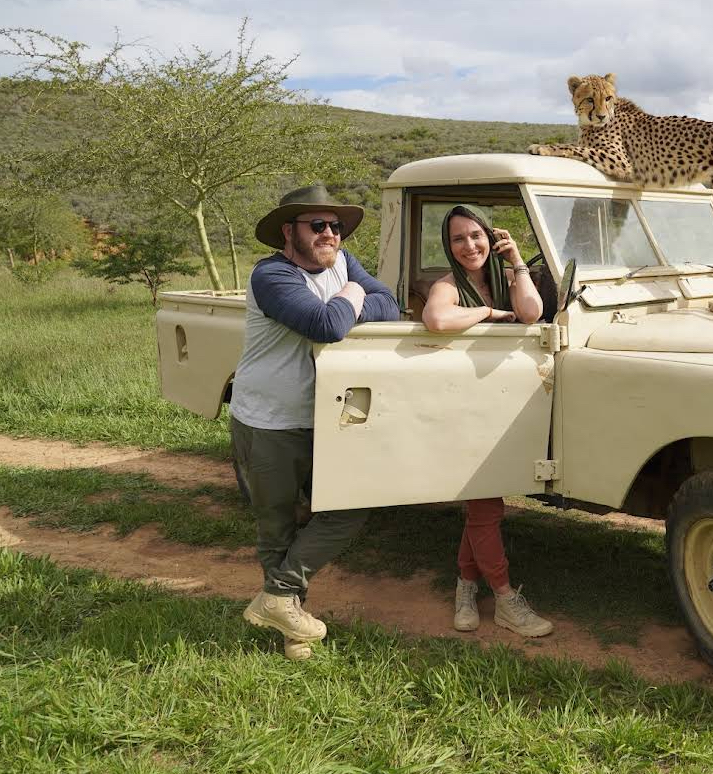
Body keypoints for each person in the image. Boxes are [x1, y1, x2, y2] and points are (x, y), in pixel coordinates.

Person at [233, 183, 400, 660]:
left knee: (352, 504)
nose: (332, 234)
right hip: (267, 421)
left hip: (323, 418)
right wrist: (351, 294)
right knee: (277, 526)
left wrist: (346, 295)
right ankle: (293, 630)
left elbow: (388, 304)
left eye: (337, 226)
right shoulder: (272, 276)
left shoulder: (342, 263)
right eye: (319, 226)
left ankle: (279, 597)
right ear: (289, 232)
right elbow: (326, 326)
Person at [422, 204, 553, 638]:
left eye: (475, 235)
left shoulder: (504, 277)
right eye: (458, 239)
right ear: (448, 245)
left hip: (503, 401)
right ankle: (504, 598)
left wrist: (516, 261)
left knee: (481, 502)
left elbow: (532, 313)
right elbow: (438, 319)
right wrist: (489, 314)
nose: (468, 246)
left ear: (490, 236)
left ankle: (465, 586)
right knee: (486, 507)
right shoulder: (449, 286)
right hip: (464, 406)